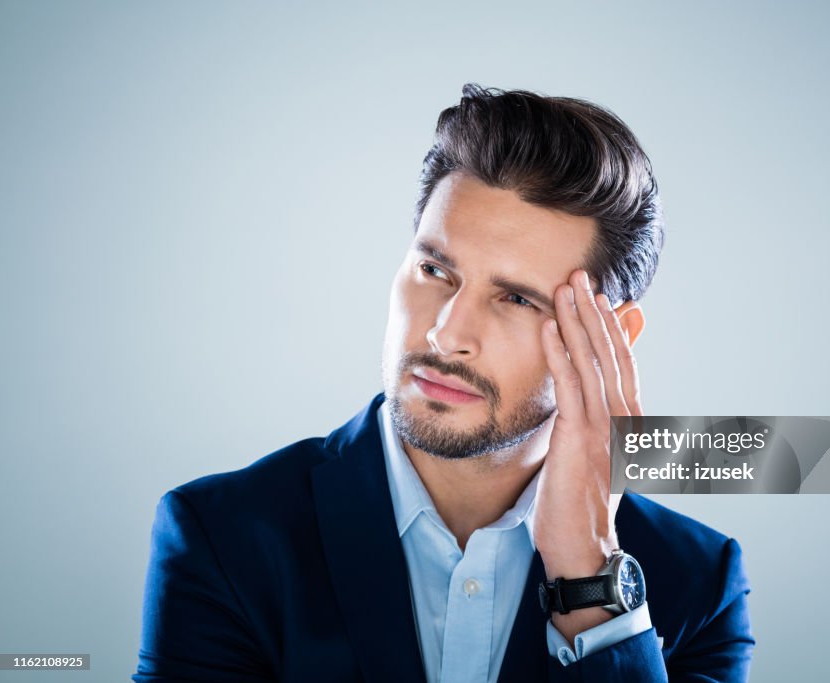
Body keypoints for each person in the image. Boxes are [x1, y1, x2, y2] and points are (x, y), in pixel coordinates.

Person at [133, 84, 754, 683]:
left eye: (515, 298)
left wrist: (589, 579)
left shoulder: (698, 584)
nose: (446, 333)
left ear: (611, 338)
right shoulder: (223, 538)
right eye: (434, 269)